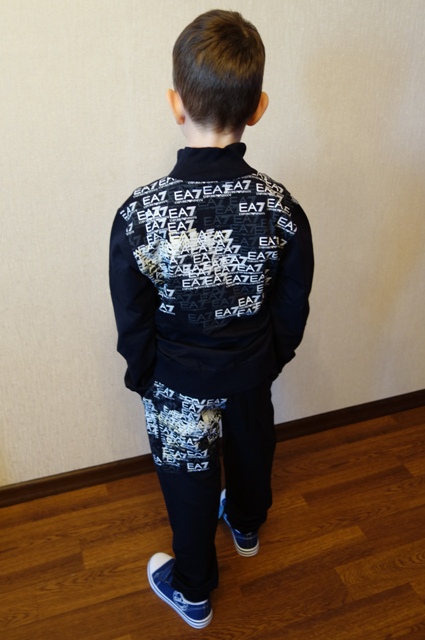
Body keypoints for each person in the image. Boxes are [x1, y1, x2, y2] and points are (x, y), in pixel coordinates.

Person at [109, 9, 314, 629]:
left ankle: (194, 590)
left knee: (189, 481)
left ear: (176, 104)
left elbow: (132, 316)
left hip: (176, 382)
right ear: (259, 108)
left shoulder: (140, 214)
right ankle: (246, 527)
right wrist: (268, 358)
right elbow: (292, 303)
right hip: (251, 371)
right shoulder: (280, 207)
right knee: (252, 454)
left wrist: (145, 375)